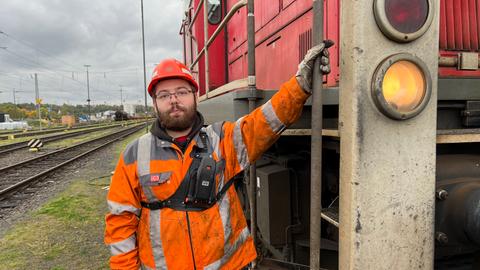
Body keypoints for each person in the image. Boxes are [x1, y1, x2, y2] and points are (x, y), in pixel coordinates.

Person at [104, 41, 332, 270]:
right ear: (154, 103)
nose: (174, 100)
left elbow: (264, 123)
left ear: (195, 96)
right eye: (164, 95)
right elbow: (120, 222)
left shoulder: (222, 139)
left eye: (181, 92)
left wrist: (300, 85)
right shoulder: (134, 155)